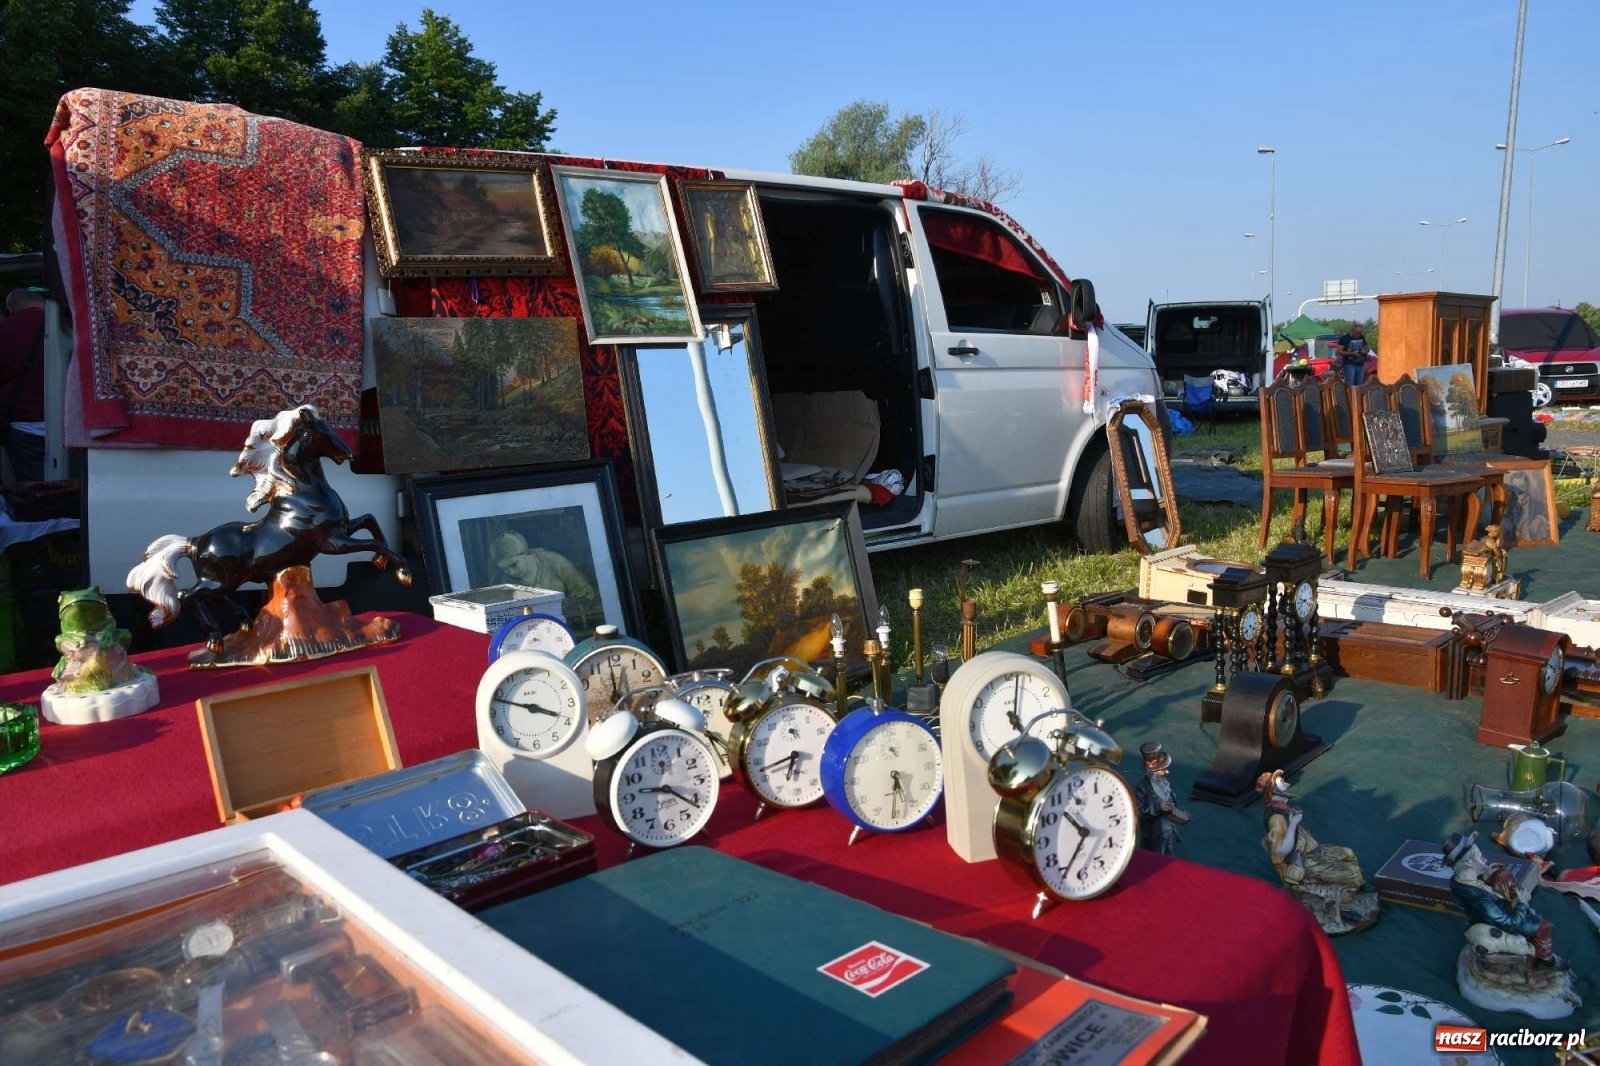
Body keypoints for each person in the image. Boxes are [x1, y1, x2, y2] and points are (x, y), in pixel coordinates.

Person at [1443, 831, 1564, 968]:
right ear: (1470, 862)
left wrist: (1486, 873)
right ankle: (1545, 961)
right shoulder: (1482, 901)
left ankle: (1516, 897)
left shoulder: (1460, 880)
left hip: (1495, 907)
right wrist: (1522, 903)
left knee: (1502, 875)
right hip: (1494, 919)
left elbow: (1480, 885)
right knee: (1543, 926)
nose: (1484, 860)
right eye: (1480, 857)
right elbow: (1511, 923)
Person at [489, 529, 602, 628]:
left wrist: (569, 608)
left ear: (526, 553)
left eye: (513, 564)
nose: (511, 572)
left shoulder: (554, 561)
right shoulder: (505, 583)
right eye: (505, 569)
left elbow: (584, 592)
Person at [0, 288, 48, 482]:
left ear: (14, 306)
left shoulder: (5, 330)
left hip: (23, 420)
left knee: (31, 488)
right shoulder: (70, 324)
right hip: (67, 422)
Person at [1134, 741, 1190, 855]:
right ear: (1152, 771)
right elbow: (1138, 812)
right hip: (1155, 835)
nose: (1166, 771)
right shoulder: (1143, 787)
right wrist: (1157, 808)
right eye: (1162, 769)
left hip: (1169, 831)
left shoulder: (1164, 781)